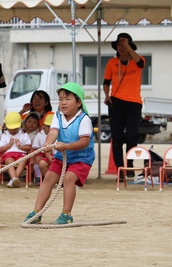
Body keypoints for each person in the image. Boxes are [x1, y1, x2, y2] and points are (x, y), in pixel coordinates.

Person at [24, 82, 95, 225]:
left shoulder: (84, 119)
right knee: (49, 177)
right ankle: (37, 212)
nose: (63, 102)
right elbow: (54, 131)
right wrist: (47, 144)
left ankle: (66, 214)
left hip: (81, 158)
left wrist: (66, 146)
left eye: (67, 99)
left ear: (79, 102)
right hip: (62, 156)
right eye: (61, 98)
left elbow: (84, 142)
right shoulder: (58, 115)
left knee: (69, 178)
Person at [103, 33, 145, 179]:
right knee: (117, 138)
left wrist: (128, 45)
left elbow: (140, 62)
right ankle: (120, 169)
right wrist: (107, 96)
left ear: (130, 45)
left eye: (124, 44)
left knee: (132, 136)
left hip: (134, 103)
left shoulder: (138, 60)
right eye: (119, 45)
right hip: (116, 103)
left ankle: (130, 165)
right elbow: (106, 83)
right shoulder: (112, 63)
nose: (121, 47)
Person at [0, 111, 32, 188]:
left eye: (15, 128)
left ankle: (13, 180)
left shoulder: (23, 134)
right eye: (11, 128)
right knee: (9, 161)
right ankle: (14, 179)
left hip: (21, 154)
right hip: (8, 154)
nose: (13, 130)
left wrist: (20, 147)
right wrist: (9, 145)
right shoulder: (5, 135)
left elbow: (29, 147)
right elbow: (1, 150)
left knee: (23, 160)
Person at [32, 113, 55, 185]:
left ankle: (53, 179)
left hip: (54, 153)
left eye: (52, 127)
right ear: (44, 126)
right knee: (37, 159)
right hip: (41, 153)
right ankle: (39, 177)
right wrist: (32, 159)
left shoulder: (58, 135)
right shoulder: (39, 135)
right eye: (48, 126)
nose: (50, 128)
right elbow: (35, 148)